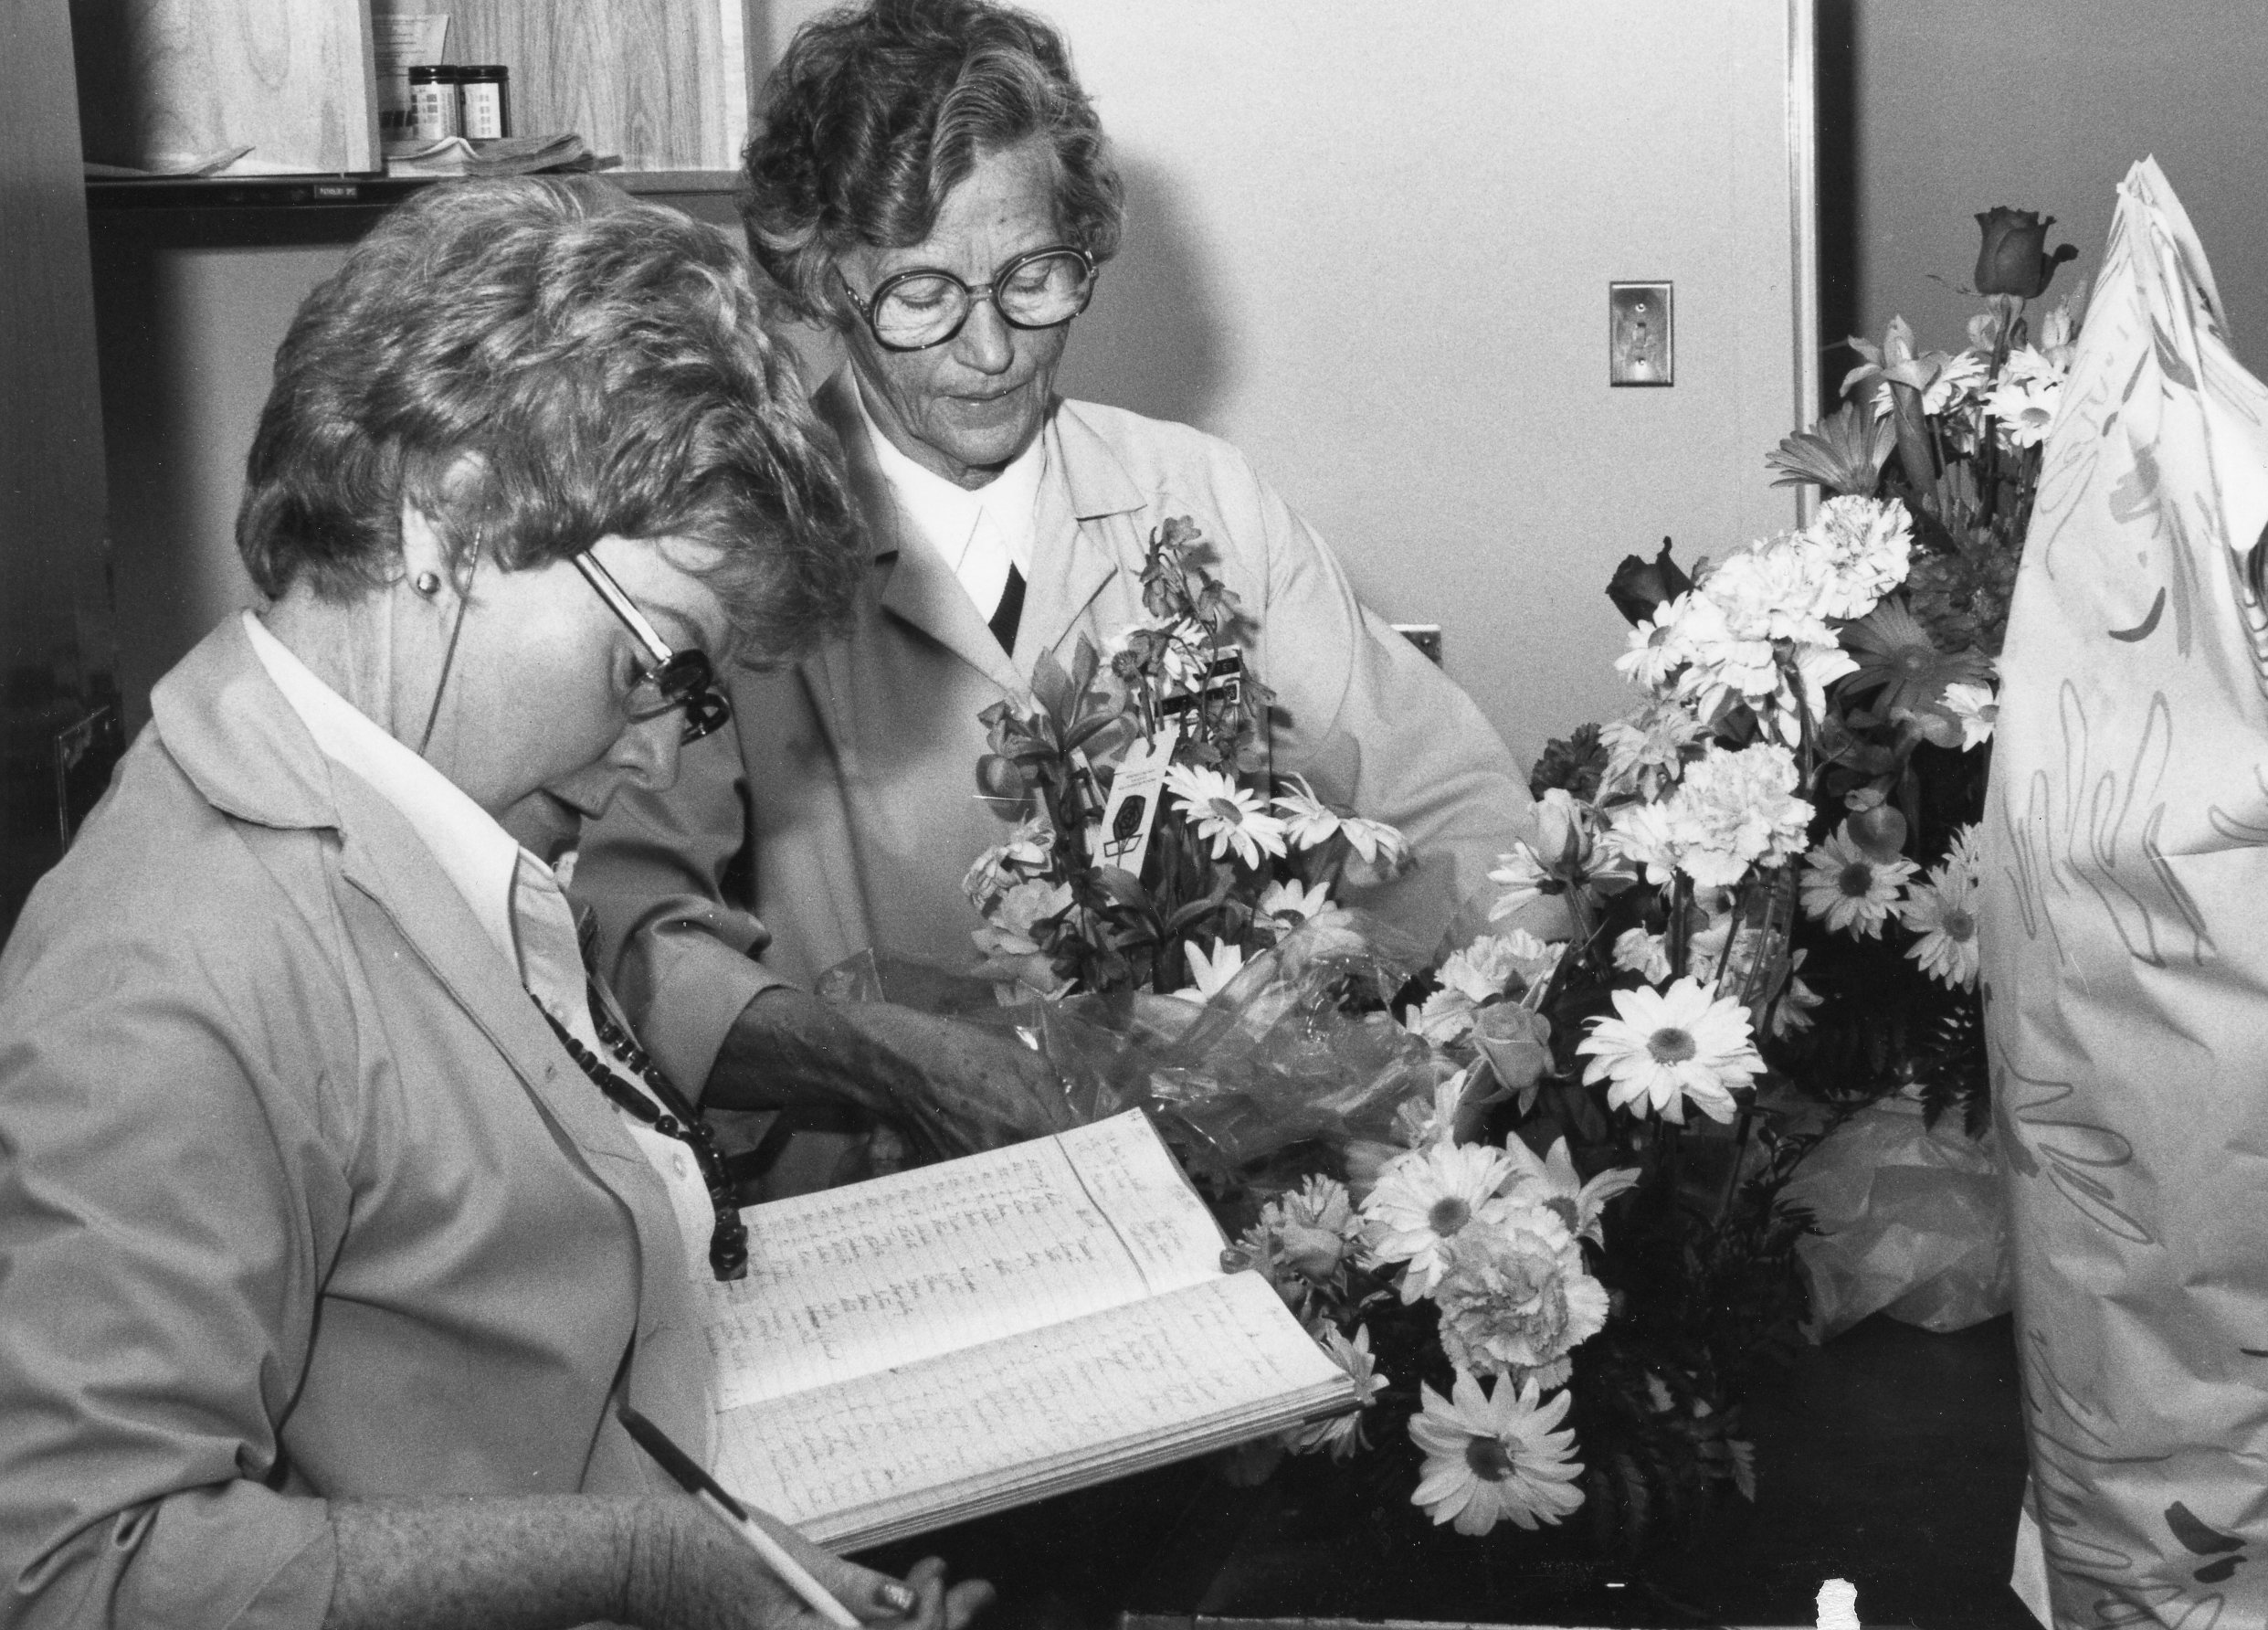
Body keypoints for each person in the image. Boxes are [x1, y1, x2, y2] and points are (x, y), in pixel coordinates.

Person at [0, 177, 992, 1630]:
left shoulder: (411, 822)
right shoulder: (172, 966)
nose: (660, 749)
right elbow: (77, 1569)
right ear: (450, 514)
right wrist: (638, 1565)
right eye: (652, 661)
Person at [573, 0, 1539, 1185]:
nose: (991, 349)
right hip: (885, 1218)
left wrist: (1460, 1062)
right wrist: (880, 1062)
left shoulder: (1202, 499)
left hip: (1218, 1197)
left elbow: (1459, 809)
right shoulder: (726, 544)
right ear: (825, 281)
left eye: (1032, 275)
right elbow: (625, 934)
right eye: (921, 295)